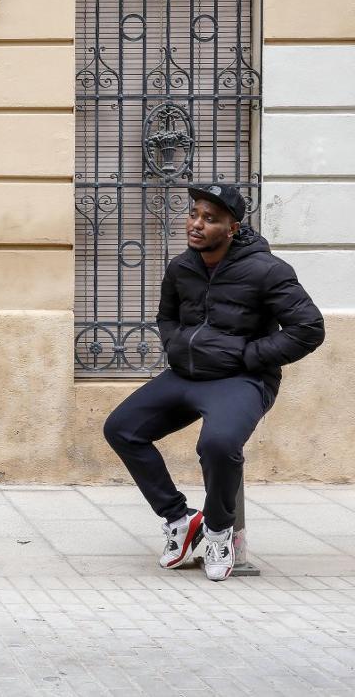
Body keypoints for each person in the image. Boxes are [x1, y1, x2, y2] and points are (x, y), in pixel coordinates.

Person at [104, 183, 325, 581]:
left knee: (219, 444)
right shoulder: (181, 267)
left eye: (210, 219)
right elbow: (167, 316)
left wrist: (249, 356)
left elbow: (308, 328)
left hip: (241, 380)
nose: (197, 224)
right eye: (195, 215)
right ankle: (179, 519)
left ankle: (219, 530)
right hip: (186, 374)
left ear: (232, 227)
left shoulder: (267, 270)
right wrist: (174, 344)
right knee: (121, 428)